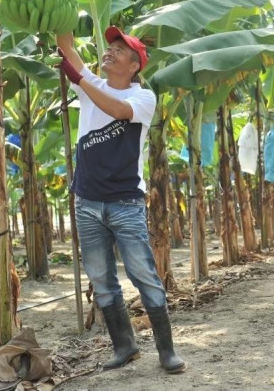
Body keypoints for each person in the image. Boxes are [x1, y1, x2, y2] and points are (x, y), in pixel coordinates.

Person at [56, 27, 186, 374]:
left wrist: (80, 80)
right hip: (87, 200)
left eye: (119, 49)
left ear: (134, 66)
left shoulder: (144, 98)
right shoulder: (92, 85)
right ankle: (124, 346)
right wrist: (61, 23)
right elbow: (66, 48)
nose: (110, 52)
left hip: (125, 201)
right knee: (101, 278)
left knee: (143, 274)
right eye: (109, 47)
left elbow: (115, 109)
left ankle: (166, 350)